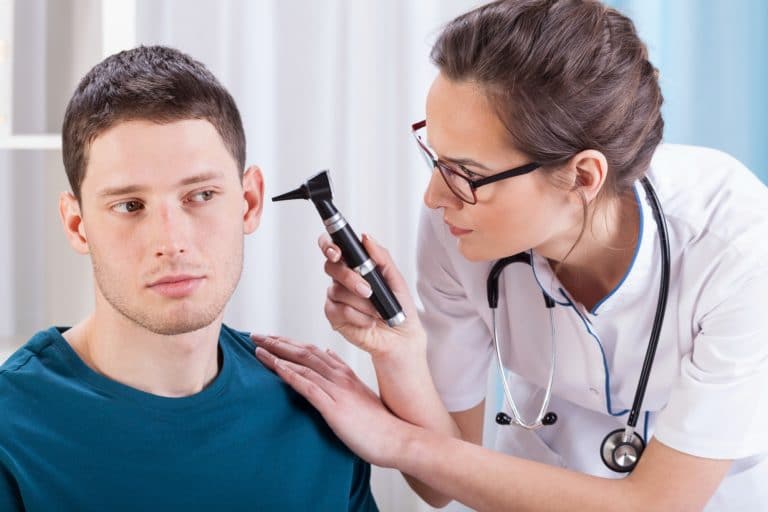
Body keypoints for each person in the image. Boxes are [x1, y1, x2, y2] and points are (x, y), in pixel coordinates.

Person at [252, 1, 768, 510]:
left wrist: (394, 439)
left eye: (467, 173)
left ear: (583, 176)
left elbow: (654, 504)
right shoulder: (456, 227)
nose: (434, 195)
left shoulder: (733, 242)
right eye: (435, 158)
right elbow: (438, 485)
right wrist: (398, 352)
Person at [0, 45, 377, 511]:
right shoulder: (11, 432)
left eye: (200, 195)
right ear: (77, 224)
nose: (171, 241)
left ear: (249, 201)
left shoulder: (323, 413)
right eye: (129, 206)